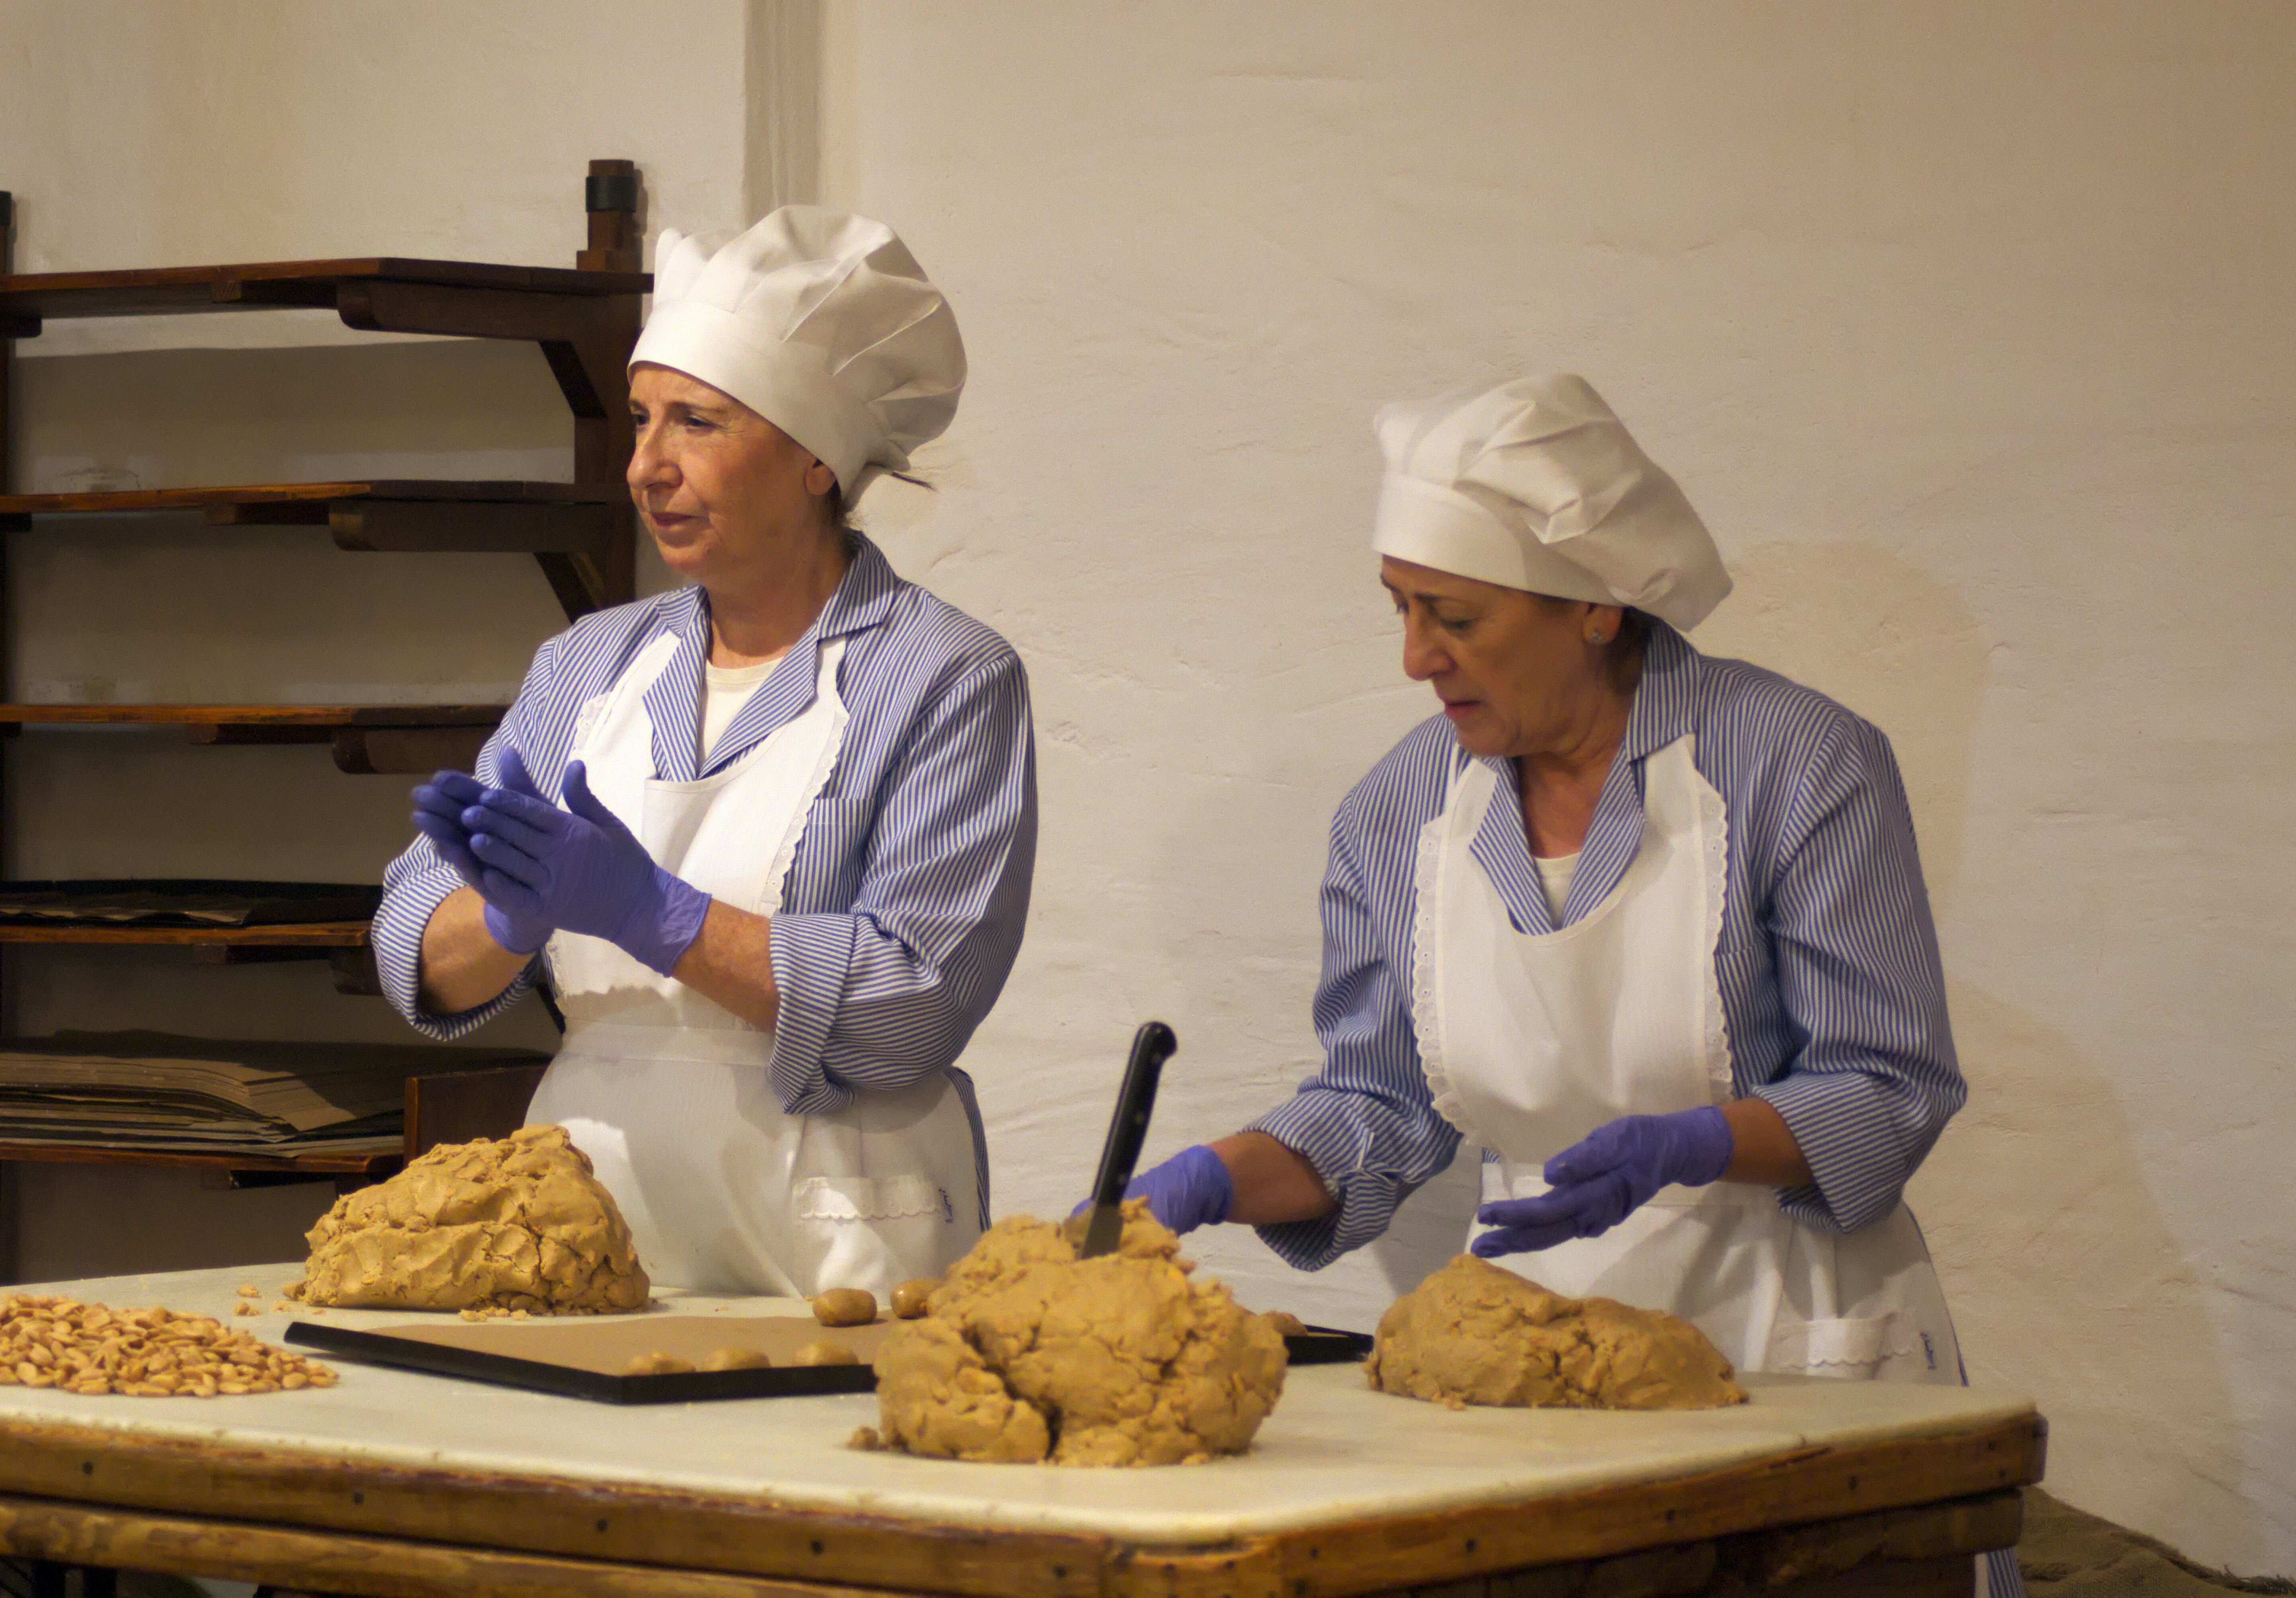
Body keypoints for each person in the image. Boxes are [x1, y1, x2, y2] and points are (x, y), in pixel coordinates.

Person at [1122, 374, 2020, 1596]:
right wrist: (1216, 1175)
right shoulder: (1398, 816)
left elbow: (1892, 1087)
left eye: (1456, 616)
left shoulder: (1799, 764)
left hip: (1799, 1356)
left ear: (1595, 605)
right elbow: (1378, 1108)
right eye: (1398, 609)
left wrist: (1698, 1142)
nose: (1412, 657)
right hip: (1537, 1389)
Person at [372, 207, 1035, 1299]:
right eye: (640, 421)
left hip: (833, 1241)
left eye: (697, 424)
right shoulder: (588, 667)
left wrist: (655, 915)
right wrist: (504, 919)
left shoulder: (944, 676)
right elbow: (410, 946)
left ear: (817, 455)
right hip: (587, 1224)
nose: (646, 467)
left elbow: (917, 999)